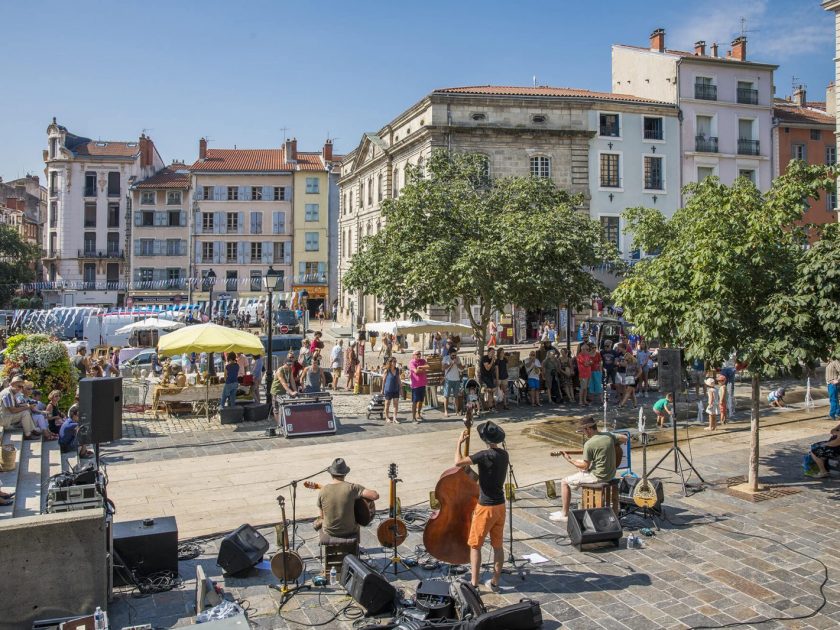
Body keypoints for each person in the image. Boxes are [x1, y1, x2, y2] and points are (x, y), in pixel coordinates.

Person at [452, 421, 509, 592]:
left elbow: (458, 462)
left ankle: (474, 583)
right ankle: (495, 582)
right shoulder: (504, 455)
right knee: (498, 546)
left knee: (475, 546)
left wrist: (459, 443)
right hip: (500, 505)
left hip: (485, 507)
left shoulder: (484, 455)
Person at [550, 416, 628, 523]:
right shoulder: (609, 436)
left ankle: (564, 514)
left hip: (598, 476)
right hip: (610, 473)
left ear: (589, 429)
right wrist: (614, 446)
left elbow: (585, 466)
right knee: (580, 470)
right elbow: (625, 438)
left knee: (564, 482)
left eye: (583, 430)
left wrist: (570, 460)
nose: (584, 433)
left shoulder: (589, 444)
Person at [316, 458, 379, 539]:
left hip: (329, 531)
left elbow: (322, 516)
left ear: (331, 474)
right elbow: (375, 496)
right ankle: (355, 545)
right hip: (350, 531)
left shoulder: (323, 490)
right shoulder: (352, 488)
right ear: (345, 474)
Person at [442, 349, 463, 418]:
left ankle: (457, 411)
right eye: (453, 355)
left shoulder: (457, 358)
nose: (454, 356)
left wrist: (457, 363)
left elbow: (461, 368)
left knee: (456, 396)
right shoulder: (446, 358)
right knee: (446, 396)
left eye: (455, 355)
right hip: (448, 379)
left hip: (456, 379)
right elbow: (443, 368)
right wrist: (451, 363)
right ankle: (446, 411)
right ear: (450, 354)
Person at [408, 350, 428, 422]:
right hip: (415, 385)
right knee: (415, 401)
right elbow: (416, 371)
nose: (418, 355)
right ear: (413, 355)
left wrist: (420, 367)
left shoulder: (422, 360)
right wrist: (423, 369)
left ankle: (418, 413)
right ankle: (413, 417)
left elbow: (428, 366)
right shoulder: (411, 362)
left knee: (421, 400)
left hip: (422, 384)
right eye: (417, 354)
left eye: (419, 354)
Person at [382, 357, 402, 423]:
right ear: (390, 362)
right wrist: (382, 389)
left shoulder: (397, 370)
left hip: (396, 389)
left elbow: (399, 379)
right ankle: (387, 417)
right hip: (388, 390)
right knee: (387, 404)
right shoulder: (387, 370)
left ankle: (394, 418)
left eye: (395, 361)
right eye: (394, 361)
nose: (395, 363)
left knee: (395, 404)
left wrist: (400, 388)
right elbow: (384, 380)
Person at [826, 357, 840, 422]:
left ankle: (832, 415)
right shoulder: (829, 362)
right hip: (830, 384)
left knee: (833, 400)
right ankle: (837, 414)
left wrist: (838, 380)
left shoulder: (835, 362)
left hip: (833, 384)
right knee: (835, 400)